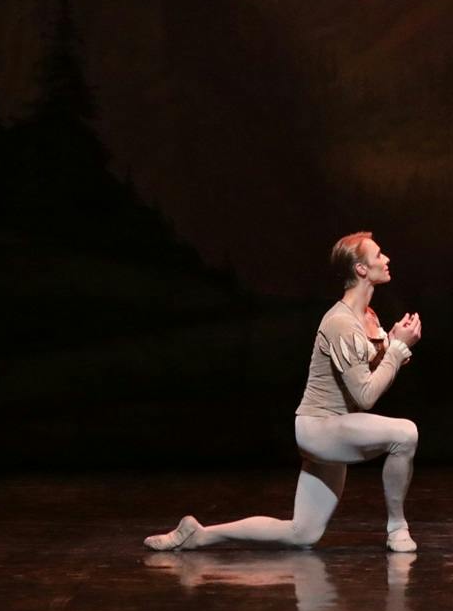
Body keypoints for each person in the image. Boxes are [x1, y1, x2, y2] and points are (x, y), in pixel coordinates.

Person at [144, 232, 423, 552]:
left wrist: (391, 342)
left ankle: (200, 534)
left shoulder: (366, 317)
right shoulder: (341, 323)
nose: (386, 259)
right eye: (378, 255)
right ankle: (397, 527)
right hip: (320, 428)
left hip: (334, 426)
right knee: (406, 433)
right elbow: (366, 396)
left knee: (302, 533)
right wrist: (397, 349)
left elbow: (366, 376)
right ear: (361, 269)